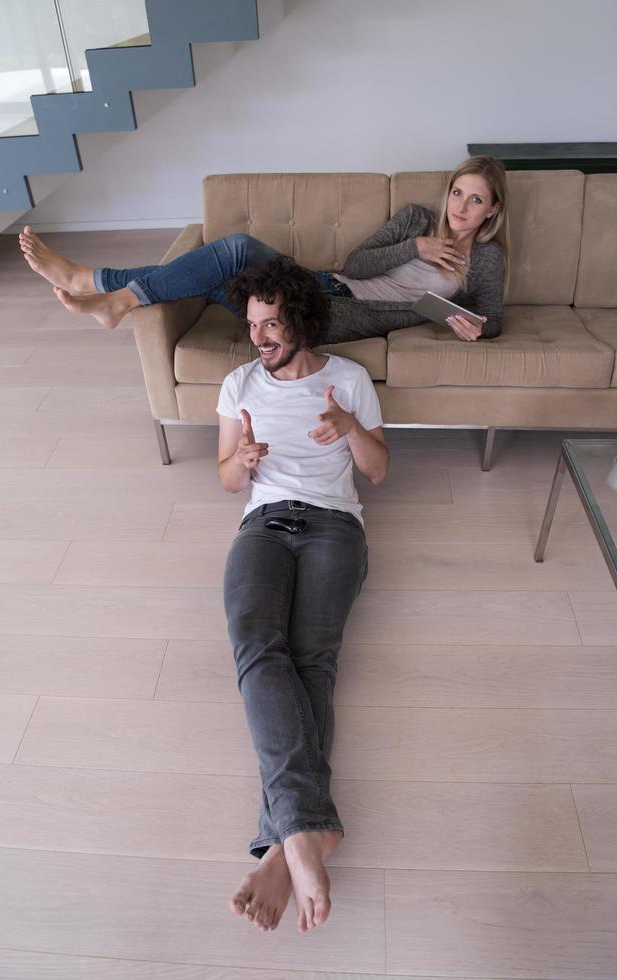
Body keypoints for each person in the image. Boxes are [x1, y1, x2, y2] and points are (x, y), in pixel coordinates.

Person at [217, 256, 388, 934]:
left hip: (333, 527)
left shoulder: (347, 379)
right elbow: (227, 479)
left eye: (273, 323)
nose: (260, 336)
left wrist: (348, 430)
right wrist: (244, 462)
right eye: (253, 324)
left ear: (301, 320)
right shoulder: (238, 384)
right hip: (263, 524)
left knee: (312, 660)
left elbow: (378, 471)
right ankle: (304, 835)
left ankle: (286, 844)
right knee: (259, 649)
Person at [18, 155, 509, 342]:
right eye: (457, 192)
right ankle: (106, 293)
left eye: (476, 199)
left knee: (227, 259)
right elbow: (355, 264)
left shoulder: (486, 259)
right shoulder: (416, 220)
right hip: (326, 283)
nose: (462, 206)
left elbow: (493, 319)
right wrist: (415, 248)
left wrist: (474, 331)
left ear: (491, 210)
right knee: (228, 256)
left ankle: (102, 286)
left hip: (339, 314)